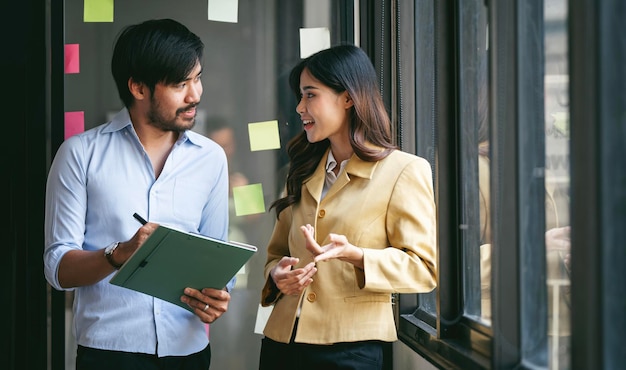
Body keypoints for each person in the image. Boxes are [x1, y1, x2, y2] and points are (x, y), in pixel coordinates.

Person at [43, 18, 233, 369]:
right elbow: (58, 268)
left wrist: (218, 297)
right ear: (138, 88)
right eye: (180, 84)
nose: (195, 94)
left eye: (197, 78)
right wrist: (120, 253)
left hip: (188, 353)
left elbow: (217, 258)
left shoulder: (211, 159)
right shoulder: (80, 155)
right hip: (109, 353)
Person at [258, 44, 438, 370]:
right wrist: (277, 275)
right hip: (281, 344)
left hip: (351, 350)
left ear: (348, 98)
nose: (300, 107)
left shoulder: (404, 171)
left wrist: (355, 255)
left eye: (310, 95)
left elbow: (423, 269)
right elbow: (276, 254)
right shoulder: (300, 171)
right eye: (300, 96)